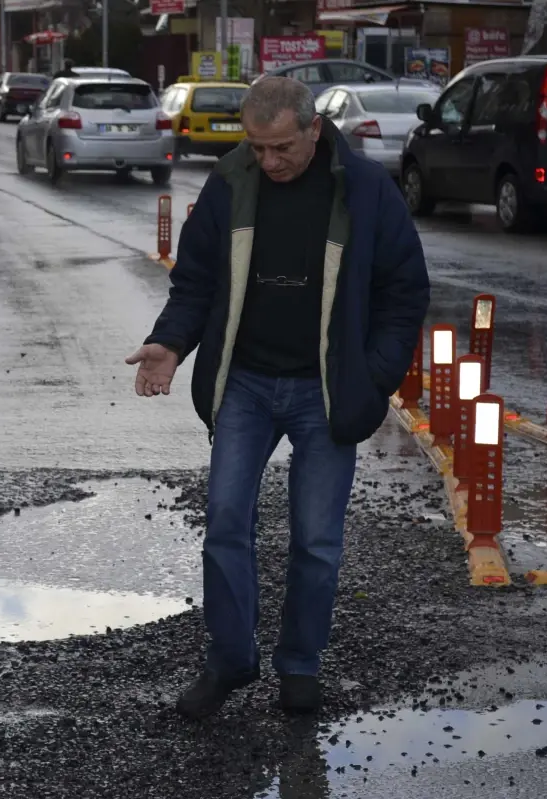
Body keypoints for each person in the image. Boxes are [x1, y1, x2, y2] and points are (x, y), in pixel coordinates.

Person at [126, 76, 429, 719]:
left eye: (282, 148)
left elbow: (404, 294)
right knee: (225, 526)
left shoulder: (367, 189)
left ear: (313, 129)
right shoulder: (231, 181)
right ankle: (231, 663)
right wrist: (170, 345)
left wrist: (372, 378)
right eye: (257, 148)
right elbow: (196, 281)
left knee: (317, 541)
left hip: (326, 392)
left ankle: (299, 666)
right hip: (246, 384)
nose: (269, 162)